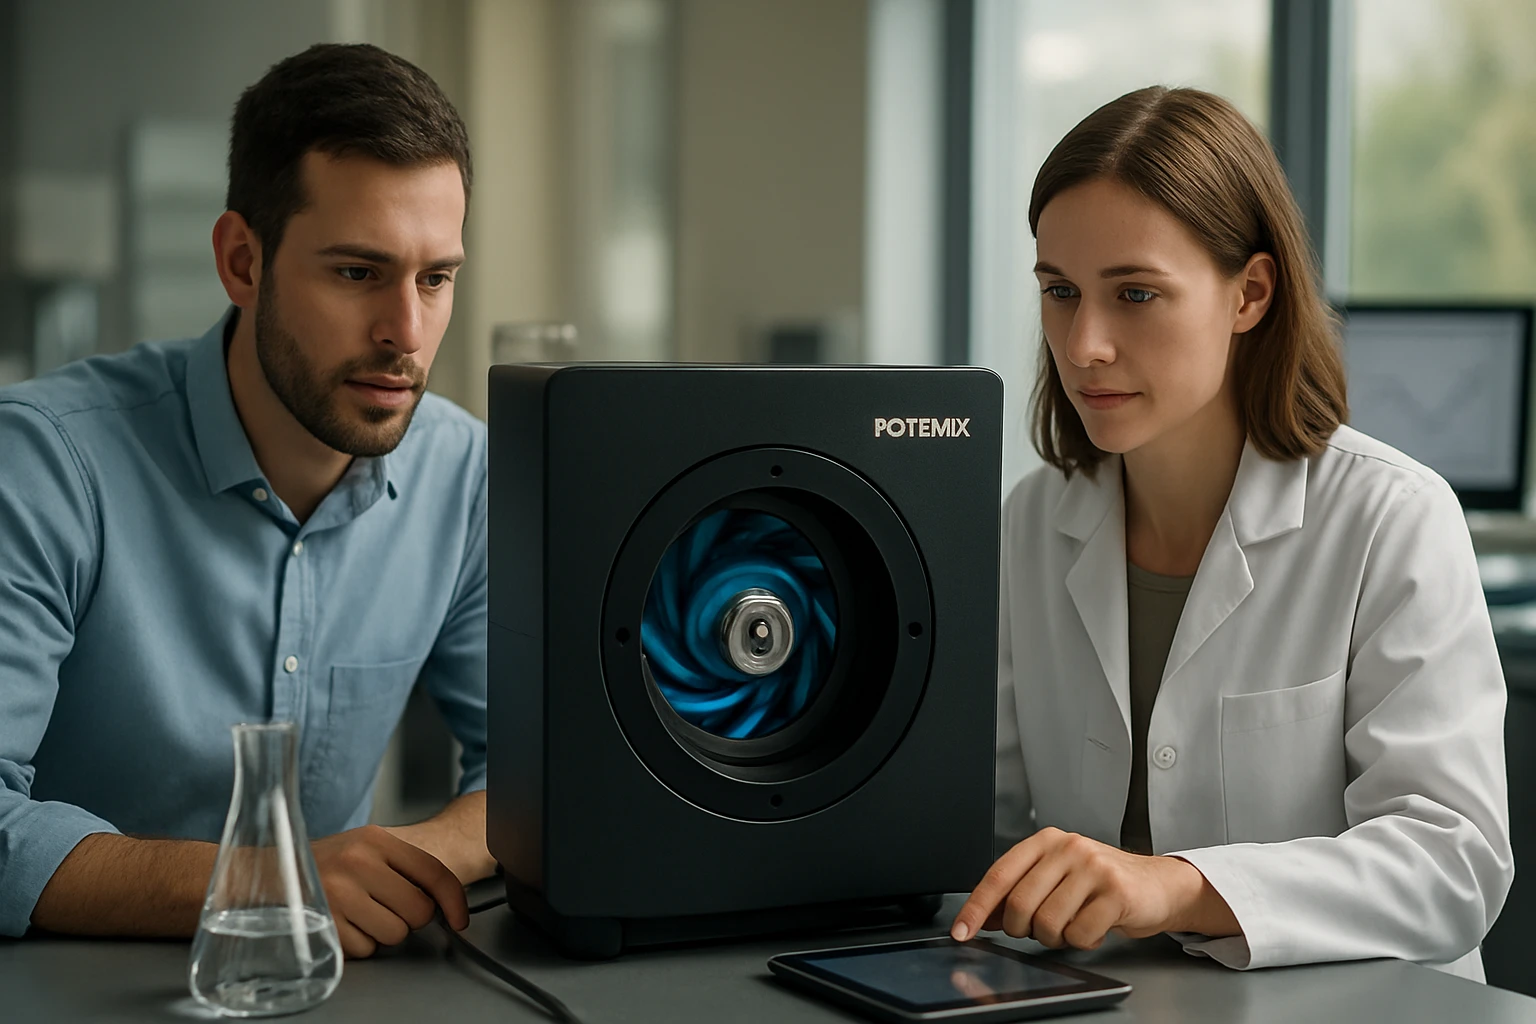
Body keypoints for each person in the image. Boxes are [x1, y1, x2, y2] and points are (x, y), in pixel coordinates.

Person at [950, 86, 1512, 980]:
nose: (1084, 342)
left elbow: (1452, 866)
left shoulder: (1390, 518)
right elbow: (981, 825)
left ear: (1249, 293)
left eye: (1135, 293)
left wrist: (1174, 886)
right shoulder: (1031, 522)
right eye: (1060, 291)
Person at [0, 43, 491, 958]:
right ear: (241, 261)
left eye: (435, 278)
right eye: (357, 273)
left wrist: (402, 864)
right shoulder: (43, 464)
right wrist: (279, 881)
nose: (406, 332)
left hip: (337, 992)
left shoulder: (465, 475)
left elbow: (540, 774)